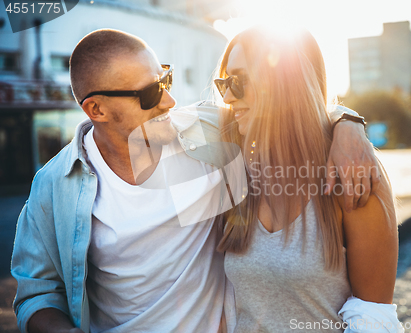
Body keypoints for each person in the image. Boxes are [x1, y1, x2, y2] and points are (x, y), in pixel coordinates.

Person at [11, 29, 378, 333]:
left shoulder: (207, 131)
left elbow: (285, 105)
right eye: (150, 93)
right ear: (97, 109)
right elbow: (37, 293)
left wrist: (348, 124)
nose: (170, 101)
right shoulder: (55, 185)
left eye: (164, 79)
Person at [215, 26, 402, 332]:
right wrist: (348, 118)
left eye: (237, 81)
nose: (226, 96)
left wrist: (347, 124)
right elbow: (163, 120)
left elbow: (374, 321)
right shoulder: (234, 166)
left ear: (283, 81)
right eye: (224, 82)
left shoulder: (353, 171)